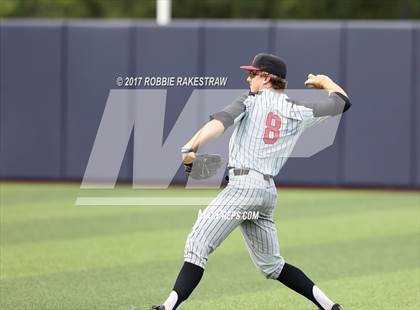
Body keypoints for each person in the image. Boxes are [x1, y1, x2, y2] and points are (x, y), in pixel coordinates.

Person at [151, 53, 351, 310]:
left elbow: (220, 122)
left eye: (253, 74)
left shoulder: (251, 100)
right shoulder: (298, 109)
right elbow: (342, 102)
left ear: (267, 78)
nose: (248, 78)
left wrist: (192, 144)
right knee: (273, 265)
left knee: (197, 245)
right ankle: (331, 307)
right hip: (267, 192)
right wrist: (326, 82)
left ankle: (167, 308)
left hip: (244, 186)